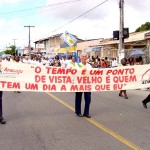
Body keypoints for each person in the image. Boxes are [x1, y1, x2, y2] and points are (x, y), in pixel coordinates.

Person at [75, 52, 92, 118]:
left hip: (87, 85)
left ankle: (86, 113)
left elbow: (92, 74)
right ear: (80, 57)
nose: (84, 57)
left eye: (85, 56)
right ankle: (78, 112)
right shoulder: (77, 66)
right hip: (79, 84)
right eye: (82, 56)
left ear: (87, 58)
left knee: (88, 99)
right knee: (78, 98)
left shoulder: (89, 66)